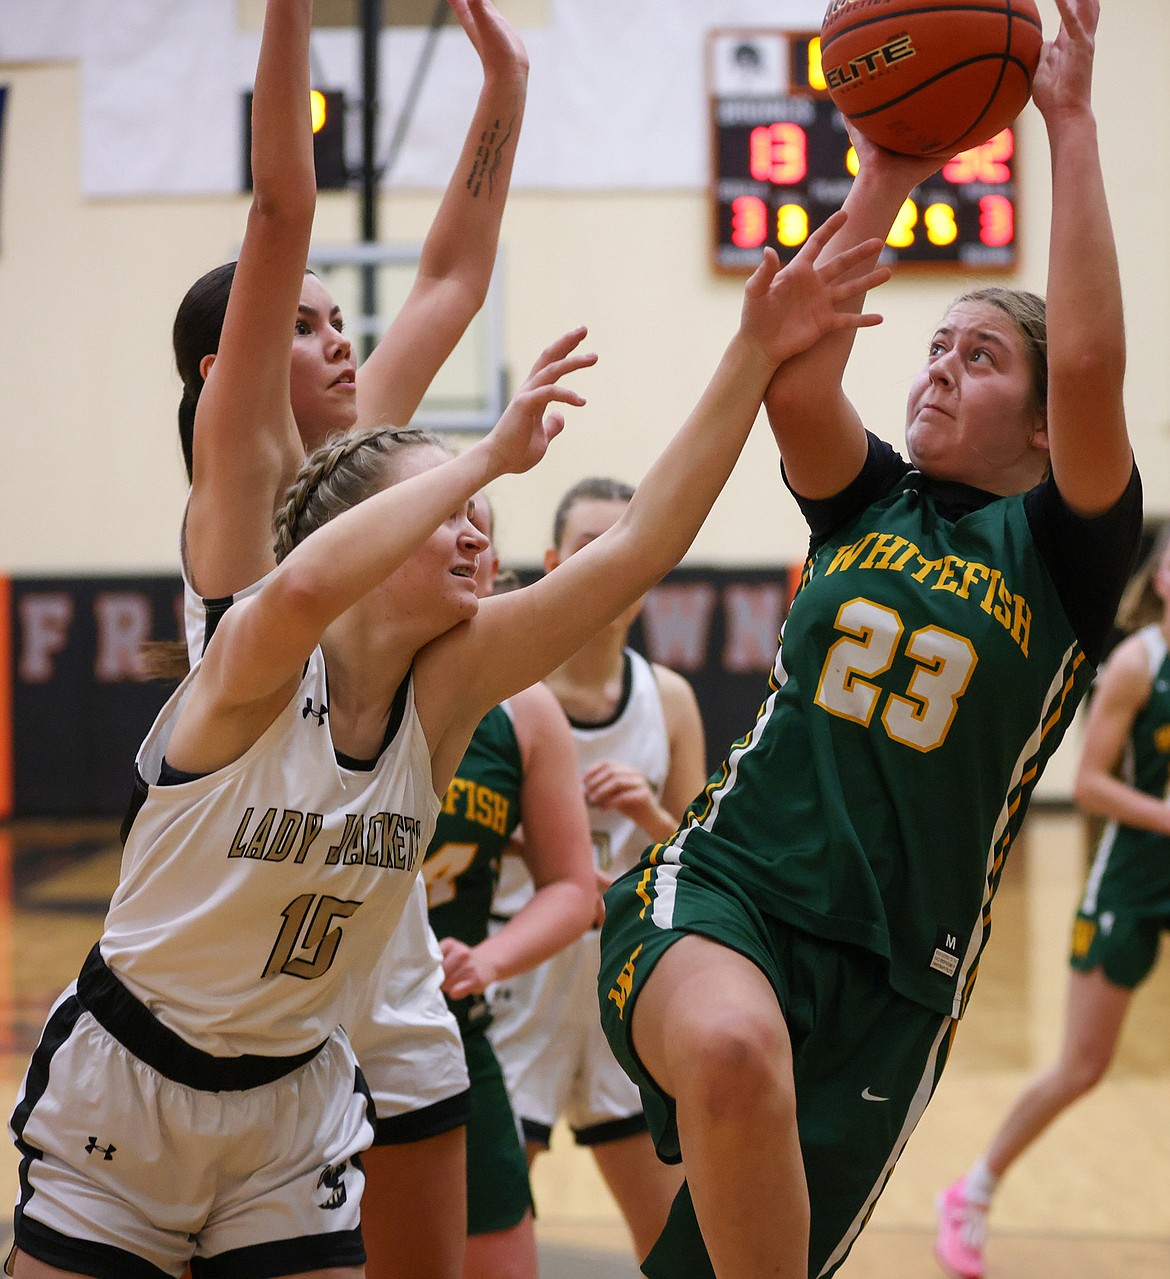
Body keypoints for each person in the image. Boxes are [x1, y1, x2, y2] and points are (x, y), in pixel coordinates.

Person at [8, 191, 895, 1278]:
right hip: (129, 1087)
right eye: (447, 510)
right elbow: (308, 582)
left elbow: (642, 545)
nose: (480, 526)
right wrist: (483, 457)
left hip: (292, 1106)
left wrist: (752, 352)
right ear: (366, 540)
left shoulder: (446, 697)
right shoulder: (254, 661)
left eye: (479, 510)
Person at [596, 2, 1142, 1277]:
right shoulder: (868, 497)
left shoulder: (1063, 553)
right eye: (934, 346)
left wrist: (1070, 127)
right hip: (731, 890)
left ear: (1048, 421)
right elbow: (794, 373)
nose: (940, 368)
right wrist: (885, 170)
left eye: (984, 356)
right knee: (732, 1050)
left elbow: (1101, 363)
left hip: (898, 982)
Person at [166, 0, 535, 1273]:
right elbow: (281, 211)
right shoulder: (244, 479)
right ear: (232, 368)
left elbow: (450, 277)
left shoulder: (359, 460)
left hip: (375, 932)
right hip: (244, 932)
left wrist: (507, 82)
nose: (343, 340)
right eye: (309, 324)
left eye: (340, 325)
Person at [933, 524, 1170, 1279]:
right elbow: (1092, 783)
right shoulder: (1138, 662)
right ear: (1161, 578)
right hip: (1133, 877)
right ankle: (972, 1192)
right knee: (1083, 1063)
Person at [487, 476, 704, 1261]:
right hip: (516, 984)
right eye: (591, 545)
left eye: (629, 544)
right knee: (479, 1247)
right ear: (551, 562)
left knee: (681, 1251)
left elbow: (698, 859)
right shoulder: (503, 690)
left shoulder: (669, 698)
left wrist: (648, 817)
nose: (614, 562)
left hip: (623, 986)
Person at [420, 492, 596, 1279]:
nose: (465, 541)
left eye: (480, 531)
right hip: (317, 1030)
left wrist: (488, 959)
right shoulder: (338, 671)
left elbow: (574, 886)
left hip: (449, 1025)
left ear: (493, 566)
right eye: (440, 520)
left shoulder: (526, 711)